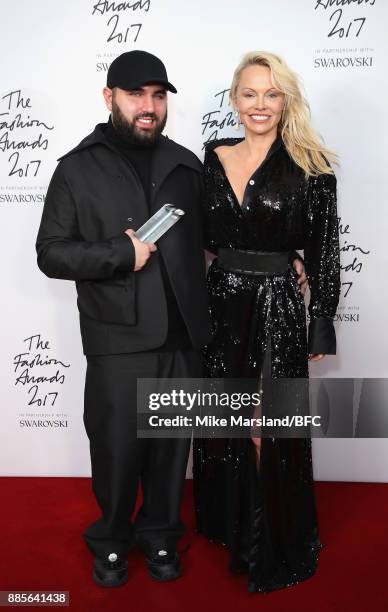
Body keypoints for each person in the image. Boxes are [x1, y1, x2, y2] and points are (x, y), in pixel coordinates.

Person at [35, 50, 212, 587]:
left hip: (183, 336)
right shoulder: (76, 168)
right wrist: (119, 253)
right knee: (116, 449)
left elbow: (214, 242)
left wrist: (288, 257)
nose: (149, 106)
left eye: (158, 96)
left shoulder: (187, 165)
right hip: (117, 338)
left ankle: (159, 534)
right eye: (137, 95)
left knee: (169, 450)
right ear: (109, 97)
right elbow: (51, 253)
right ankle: (110, 541)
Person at [193, 51, 340, 593]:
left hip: (276, 307)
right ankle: (230, 526)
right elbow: (204, 238)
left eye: (271, 94)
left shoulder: (310, 166)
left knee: (265, 426)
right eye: (250, 93)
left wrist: (319, 319)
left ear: (285, 101)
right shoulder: (210, 158)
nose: (260, 104)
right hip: (220, 303)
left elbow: (325, 248)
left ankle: (273, 541)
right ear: (235, 99)